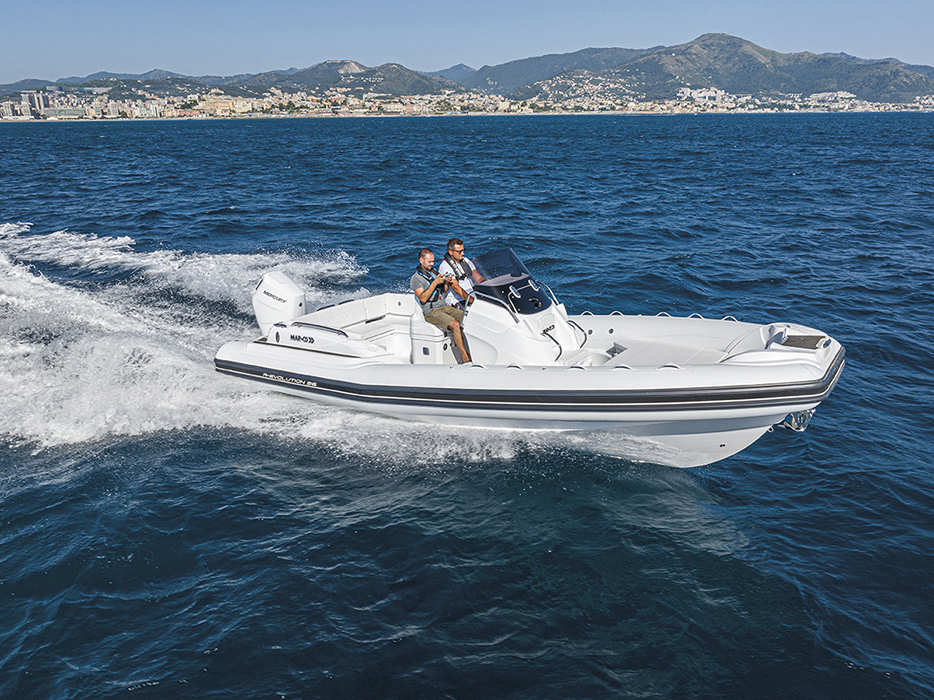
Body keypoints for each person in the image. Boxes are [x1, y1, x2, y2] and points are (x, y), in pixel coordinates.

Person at [410, 248, 471, 363]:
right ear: (421, 260)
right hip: (431, 311)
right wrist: (435, 283)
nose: (432, 264)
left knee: (470, 317)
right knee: (455, 324)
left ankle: (474, 349)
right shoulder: (416, 279)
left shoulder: (434, 272)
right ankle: (465, 357)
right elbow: (423, 298)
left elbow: (444, 291)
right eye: (429, 262)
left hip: (444, 307)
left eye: (433, 261)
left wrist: (447, 281)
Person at [437, 237, 485, 308]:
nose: (463, 253)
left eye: (463, 250)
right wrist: (474, 302)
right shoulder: (445, 267)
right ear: (450, 252)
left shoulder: (466, 261)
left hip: (472, 295)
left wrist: (491, 287)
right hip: (457, 301)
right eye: (459, 251)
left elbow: (479, 279)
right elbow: (456, 288)